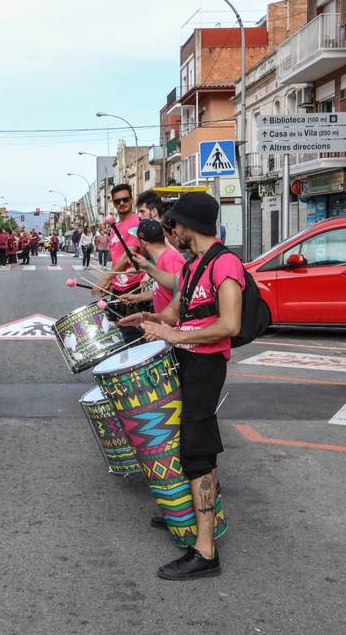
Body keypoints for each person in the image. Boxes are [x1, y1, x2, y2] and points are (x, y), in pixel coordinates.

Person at [119, 192, 243, 581]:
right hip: (187, 360)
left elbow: (229, 325)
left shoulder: (225, 264)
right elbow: (175, 313)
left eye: (175, 225)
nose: (172, 231)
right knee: (182, 441)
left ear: (190, 225)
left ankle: (205, 551)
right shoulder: (192, 268)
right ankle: (189, 514)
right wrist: (148, 316)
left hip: (207, 365)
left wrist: (172, 337)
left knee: (197, 449)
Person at [92, 184, 145, 342]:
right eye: (117, 201)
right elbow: (116, 258)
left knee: (134, 336)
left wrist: (105, 279)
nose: (121, 203)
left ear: (132, 199)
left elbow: (128, 255)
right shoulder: (116, 226)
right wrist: (112, 282)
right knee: (123, 334)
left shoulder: (135, 224)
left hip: (134, 288)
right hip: (119, 288)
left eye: (125, 199)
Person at [118, 219, 186, 314]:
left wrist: (148, 267)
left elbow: (178, 288)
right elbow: (160, 292)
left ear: (143, 243)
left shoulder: (171, 259)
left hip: (172, 325)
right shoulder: (160, 259)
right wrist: (137, 297)